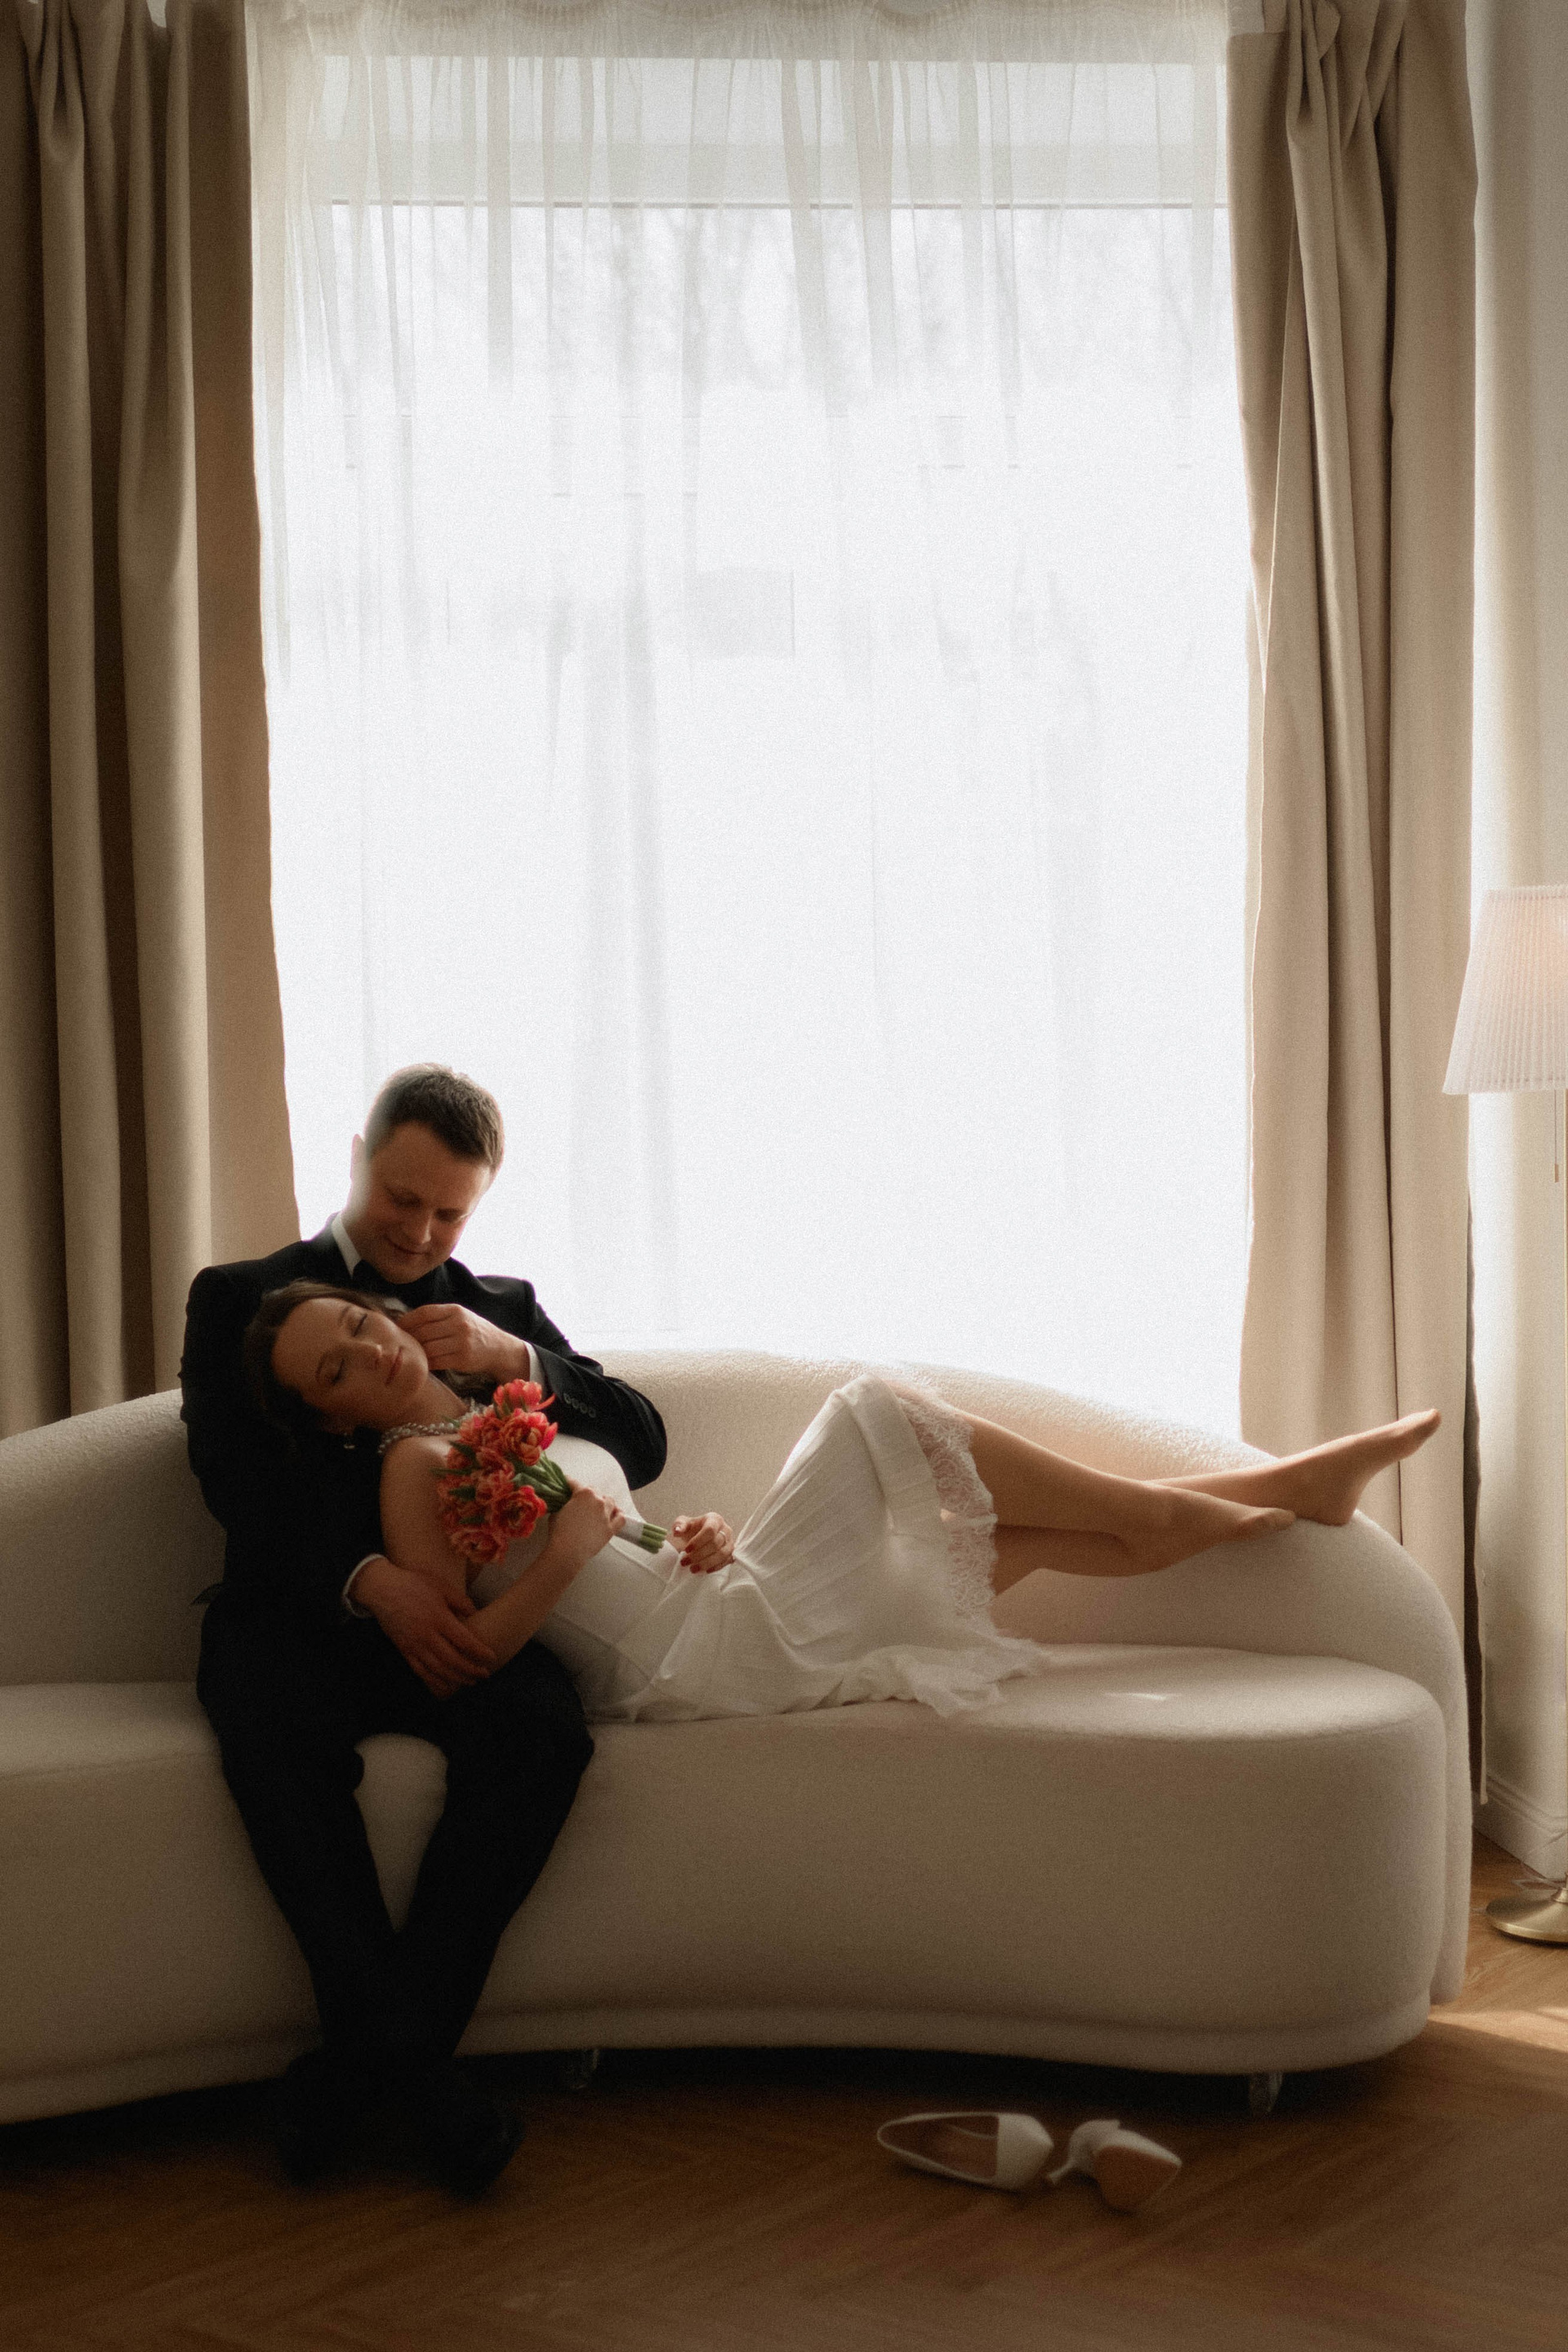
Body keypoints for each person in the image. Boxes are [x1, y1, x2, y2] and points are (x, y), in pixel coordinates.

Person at [180, 1065, 666, 2194]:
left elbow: (642, 1439)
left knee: (543, 1729)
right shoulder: (239, 1295)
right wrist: (369, 1580)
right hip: (307, 1615)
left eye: (450, 1213)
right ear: (358, 1159)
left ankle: (357, 2076)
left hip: (464, 1615)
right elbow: (233, 1479)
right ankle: (422, 2084)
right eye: (402, 1198)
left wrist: (516, 1361)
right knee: (260, 1707)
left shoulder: (497, 1308)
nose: (419, 1231)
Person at [247, 1277, 1441, 1728]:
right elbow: (457, 1664)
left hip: (720, 1597)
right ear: (330, 1418)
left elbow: (621, 1530)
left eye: (355, 1324)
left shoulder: (495, 1409)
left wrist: (695, 1532)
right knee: (872, 1408)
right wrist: (563, 1558)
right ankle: (1168, 1511)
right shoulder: (412, 1472)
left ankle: (1272, 1488)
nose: (368, 1353)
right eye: (334, 1371)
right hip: (696, 1665)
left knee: (1008, 1538)